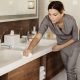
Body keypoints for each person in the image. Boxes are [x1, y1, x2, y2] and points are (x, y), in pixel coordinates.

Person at [23, 1, 80, 80]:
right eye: (50, 14)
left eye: (55, 14)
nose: (51, 17)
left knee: (70, 69)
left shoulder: (70, 20)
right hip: (61, 45)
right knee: (68, 69)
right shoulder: (47, 20)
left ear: (62, 12)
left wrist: (60, 47)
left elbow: (75, 37)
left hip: (74, 45)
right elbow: (38, 36)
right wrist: (29, 49)